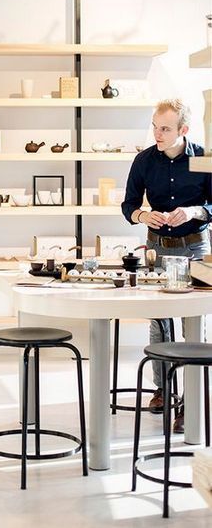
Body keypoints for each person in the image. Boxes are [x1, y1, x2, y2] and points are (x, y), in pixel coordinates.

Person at [121, 99, 212, 432]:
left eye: (165, 129)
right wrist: (143, 215)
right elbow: (128, 204)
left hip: (195, 248)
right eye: (155, 126)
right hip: (158, 248)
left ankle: (190, 402)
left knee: (194, 325)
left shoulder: (203, 159)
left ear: (183, 130)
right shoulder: (144, 160)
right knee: (160, 323)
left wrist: (192, 212)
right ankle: (163, 388)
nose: (157, 134)